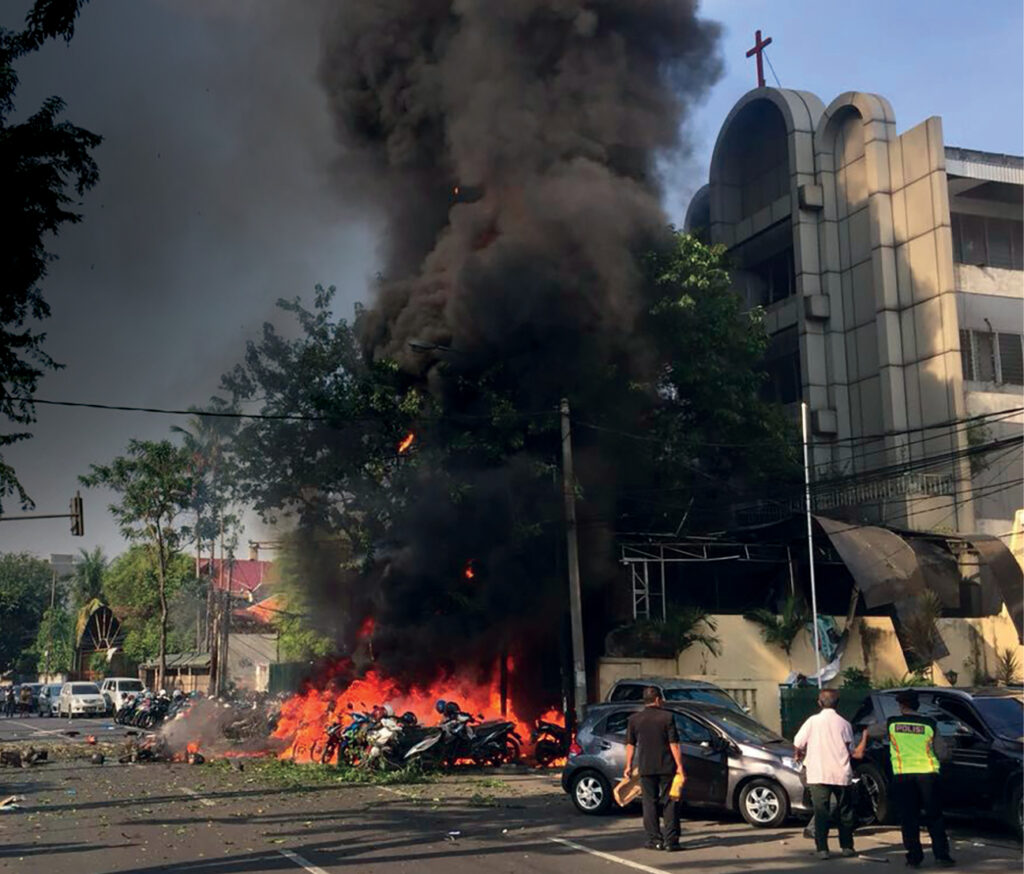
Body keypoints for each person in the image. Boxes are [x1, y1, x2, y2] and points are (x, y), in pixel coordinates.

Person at [793, 688, 868, 860]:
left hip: (818, 773)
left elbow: (798, 742)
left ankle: (822, 849)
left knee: (821, 812)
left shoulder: (812, 721)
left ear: (819, 703)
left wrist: (798, 753)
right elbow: (852, 751)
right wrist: (865, 737)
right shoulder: (844, 724)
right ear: (837, 704)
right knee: (845, 812)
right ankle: (847, 846)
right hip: (841, 773)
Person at [887, 691, 955, 868]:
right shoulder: (929, 724)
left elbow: (871, 731)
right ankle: (942, 856)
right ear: (917, 705)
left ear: (901, 706)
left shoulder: (892, 723)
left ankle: (914, 858)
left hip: (903, 776)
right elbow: (942, 753)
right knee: (935, 817)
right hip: (928, 775)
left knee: (909, 818)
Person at [623, 686, 685, 852]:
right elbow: (674, 744)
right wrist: (679, 766)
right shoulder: (667, 717)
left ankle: (654, 840)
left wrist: (628, 765)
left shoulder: (634, 719)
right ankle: (671, 841)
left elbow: (630, 744)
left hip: (646, 767)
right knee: (670, 802)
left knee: (649, 803)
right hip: (666, 766)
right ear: (657, 699)